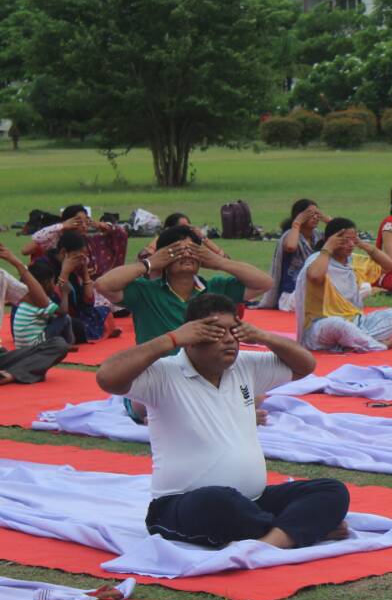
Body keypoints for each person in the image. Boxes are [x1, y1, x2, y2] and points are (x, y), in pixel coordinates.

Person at [96, 294, 350, 549]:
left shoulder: (244, 366)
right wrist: (172, 339)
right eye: (217, 332)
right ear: (191, 338)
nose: (229, 339)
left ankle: (273, 539)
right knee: (218, 501)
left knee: (331, 490)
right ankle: (298, 529)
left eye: (233, 331)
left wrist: (262, 336)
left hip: (253, 501)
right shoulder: (165, 373)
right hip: (184, 505)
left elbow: (305, 365)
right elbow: (107, 377)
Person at [95, 224, 273, 346]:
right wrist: (149, 263)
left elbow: (264, 283)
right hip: (160, 377)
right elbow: (103, 285)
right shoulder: (145, 291)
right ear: (163, 256)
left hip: (205, 373)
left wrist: (220, 262)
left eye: (193, 250)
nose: (187, 255)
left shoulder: (216, 288)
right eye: (178, 251)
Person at [295, 217, 392, 353]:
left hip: (356, 322)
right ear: (330, 240)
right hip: (322, 326)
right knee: (338, 325)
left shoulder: (353, 260)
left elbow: (390, 266)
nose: (350, 244)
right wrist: (327, 248)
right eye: (344, 240)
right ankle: (380, 345)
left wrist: (363, 245)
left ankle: (353, 342)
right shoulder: (319, 259)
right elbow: (315, 276)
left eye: (352, 240)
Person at [0, 243, 69, 385]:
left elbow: (41, 302)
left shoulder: (1, 277)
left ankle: (10, 374)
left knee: (58, 345)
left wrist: (19, 265)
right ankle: (16, 372)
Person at [37, 231, 117, 343]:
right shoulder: (44, 267)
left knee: (104, 312)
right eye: (77, 256)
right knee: (77, 326)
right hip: (49, 316)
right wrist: (64, 272)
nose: (82, 260)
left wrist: (85, 273)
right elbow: (52, 301)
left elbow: (87, 302)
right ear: (64, 252)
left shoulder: (75, 268)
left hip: (71, 313)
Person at [258, 199, 328, 310]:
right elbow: (290, 247)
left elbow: (342, 236)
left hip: (314, 291)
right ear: (299, 216)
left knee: (364, 287)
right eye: (310, 214)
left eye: (317, 214)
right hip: (291, 296)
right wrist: (297, 223)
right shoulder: (290, 235)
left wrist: (328, 220)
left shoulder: (319, 236)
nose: (315, 217)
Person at [12, 261, 74, 347]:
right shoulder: (40, 300)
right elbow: (63, 312)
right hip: (34, 345)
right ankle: (69, 343)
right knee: (65, 318)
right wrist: (65, 293)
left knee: (53, 317)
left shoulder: (28, 296)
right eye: (53, 282)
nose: (54, 285)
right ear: (47, 283)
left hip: (20, 346)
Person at [138, 212, 227, 261]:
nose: (186, 231)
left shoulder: (191, 250)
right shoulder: (161, 251)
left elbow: (225, 259)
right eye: (182, 228)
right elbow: (143, 259)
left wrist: (203, 238)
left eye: (188, 228)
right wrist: (164, 235)